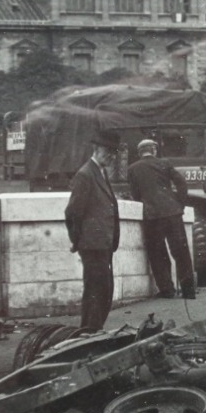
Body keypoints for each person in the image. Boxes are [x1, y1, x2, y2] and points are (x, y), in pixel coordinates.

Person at [64, 130, 121, 333]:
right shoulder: (85, 174)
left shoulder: (100, 172)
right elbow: (72, 212)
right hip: (92, 244)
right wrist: (78, 240)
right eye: (108, 151)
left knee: (103, 290)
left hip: (102, 243)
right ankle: (89, 331)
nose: (112, 156)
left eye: (114, 152)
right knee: (96, 290)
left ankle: (92, 330)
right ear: (96, 149)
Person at [127, 138, 196, 300]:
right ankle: (188, 291)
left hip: (152, 216)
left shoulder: (133, 169)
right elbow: (182, 183)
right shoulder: (165, 163)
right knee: (181, 252)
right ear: (154, 150)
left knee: (157, 254)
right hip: (173, 213)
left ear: (140, 152)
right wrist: (180, 203)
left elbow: (135, 194)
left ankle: (167, 290)